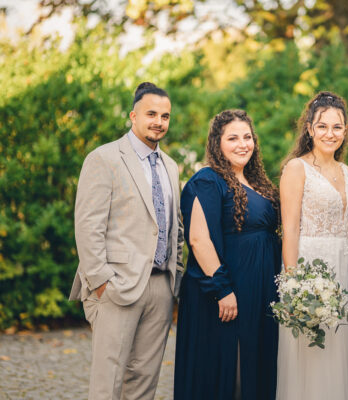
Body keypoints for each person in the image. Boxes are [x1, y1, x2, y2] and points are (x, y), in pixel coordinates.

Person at [69, 82, 182, 400]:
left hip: (160, 287)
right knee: (108, 381)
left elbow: (175, 227)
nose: (158, 122)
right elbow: (88, 225)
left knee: (144, 381)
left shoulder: (171, 166)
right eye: (151, 114)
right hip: (117, 285)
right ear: (133, 116)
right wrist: (101, 282)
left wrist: (174, 276)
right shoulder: (104, 158)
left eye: (165, 116)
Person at [174, 109, 281, 400]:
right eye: (232, 138)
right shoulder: (207, 180)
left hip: (260, 289)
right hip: (227, 289)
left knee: (255, 365)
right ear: (217, 143)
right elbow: (198, 239)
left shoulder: (258, 182)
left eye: (247, 137)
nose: (242, 144)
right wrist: (222, 289)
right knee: (229, 369)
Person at [277, 91, 348, 400]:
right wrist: (293, 286)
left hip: (343, 275)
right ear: (309, 129)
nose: (330, 133)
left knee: (340, 354)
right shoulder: (296, 168)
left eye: (337, 127)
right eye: (322, 126)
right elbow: (289, 230)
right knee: (314, 357)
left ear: (345, 130)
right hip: (310, 274)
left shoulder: (346, 170)